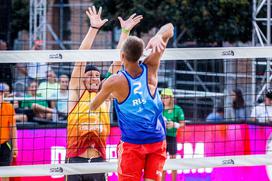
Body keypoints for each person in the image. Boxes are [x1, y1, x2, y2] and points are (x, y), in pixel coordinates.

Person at [66, 6, 143, 181]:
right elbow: (80, 61)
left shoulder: (105, 94)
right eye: (89, 75)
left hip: (99, 162)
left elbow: (117, 62)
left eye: (96, 75)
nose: (94, 77)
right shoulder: (77, 93)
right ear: (83, 79)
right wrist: (93, 29)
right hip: (75, 162)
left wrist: (125, 32)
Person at [90, 23, 174, 181]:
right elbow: (169, 28)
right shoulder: (151, 67)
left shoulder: (114, 81)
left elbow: (93, 106)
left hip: (133, 144)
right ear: (141, 54)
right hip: (157, 140)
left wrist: (109, 93)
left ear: (122, 56)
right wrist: (158, 36)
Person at [160, 88, 185, 181]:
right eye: (162, 97)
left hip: (172, 137)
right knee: (162, 163)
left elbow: (183, 124)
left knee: (173, 162)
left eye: (166, 97)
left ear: (171, 98)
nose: (164, 100)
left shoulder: (177, 109)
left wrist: (174, 124)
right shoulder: (159, 108)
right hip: (161, 138)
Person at [0, 84, 18, 181]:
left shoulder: (9, 107)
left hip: (4, 145)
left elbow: (13, 128)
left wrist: (15, 147)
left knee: (5, 174)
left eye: (1, 93)